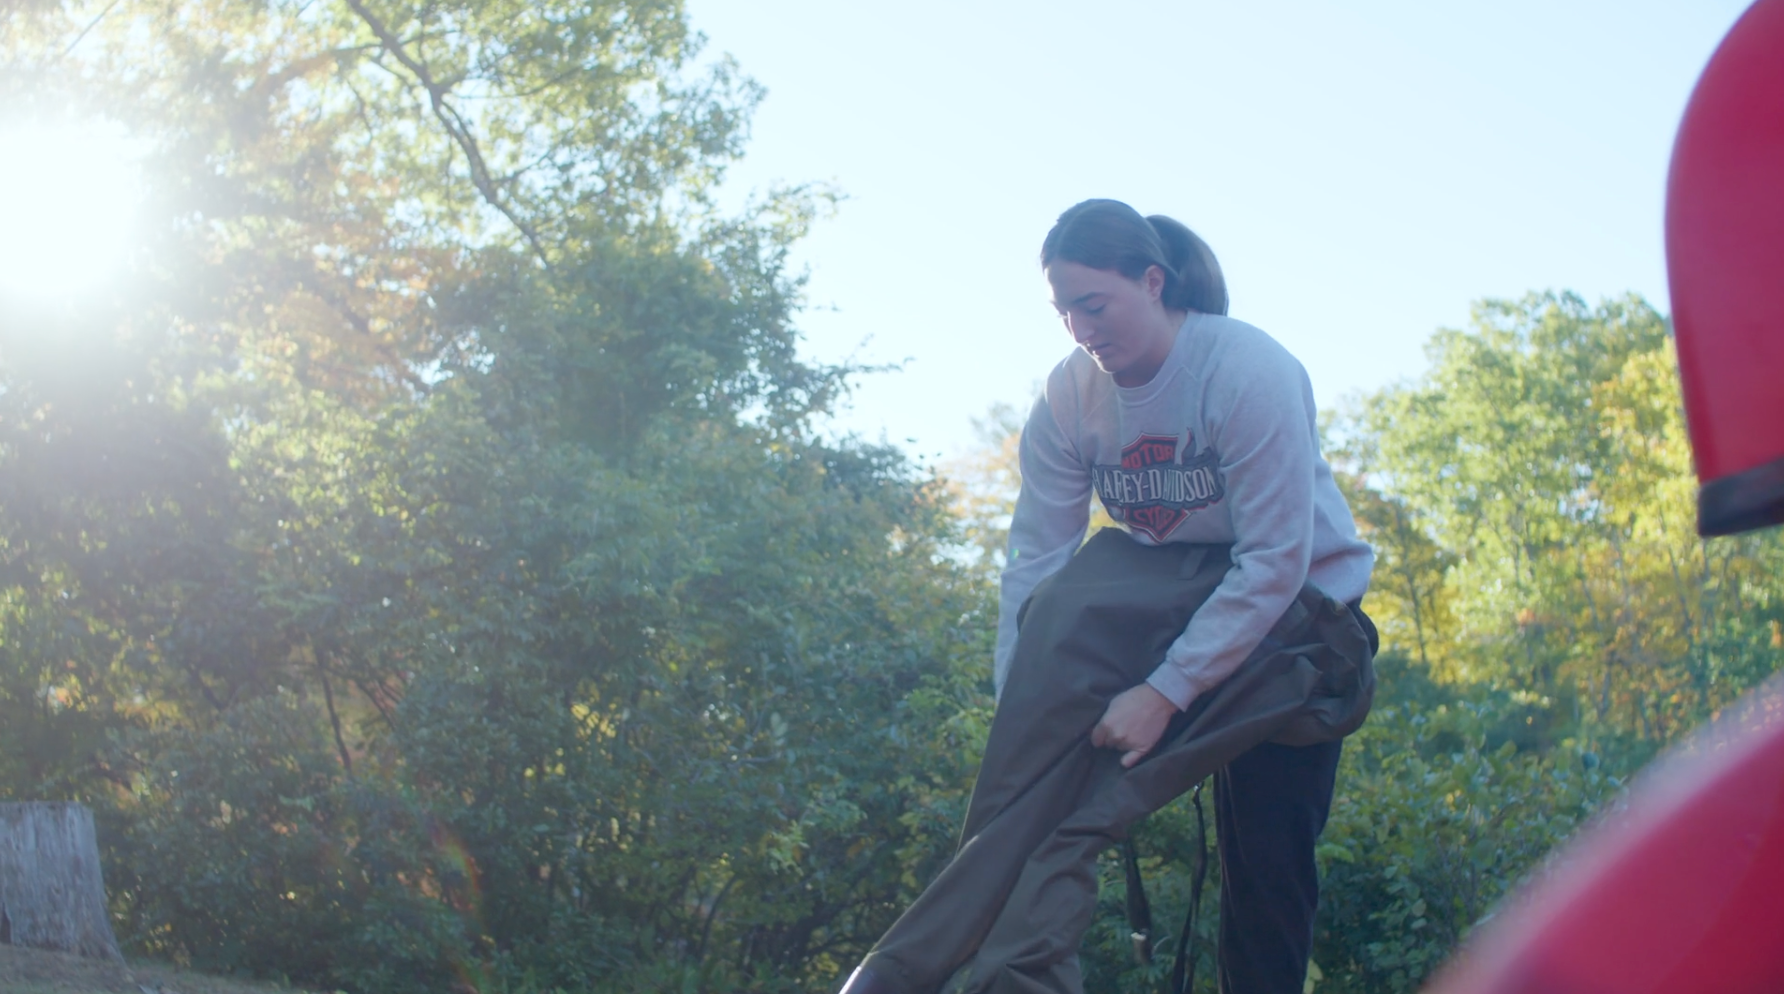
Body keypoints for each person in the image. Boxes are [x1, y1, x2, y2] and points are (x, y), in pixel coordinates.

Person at [838, 199, 1376, 994]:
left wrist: (1162, 694)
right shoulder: (1069, 399)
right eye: (1064, 312)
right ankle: (926, 976)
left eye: (1095, 304)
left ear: (1153, 283)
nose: (1082, 328)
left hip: (1298, 624)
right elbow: (1036, 559)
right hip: (1165, 599)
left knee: (1267, 862)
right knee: (1050, 782)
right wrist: (1022, 700)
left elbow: (1271, 562)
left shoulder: (1246, 371)